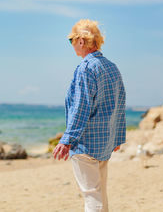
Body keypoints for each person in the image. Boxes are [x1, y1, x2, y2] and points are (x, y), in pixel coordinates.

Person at [53, 19, 126, 212]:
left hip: (86, 144)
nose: (72, 45)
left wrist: (67, 140)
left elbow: (81, 107)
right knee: (100, 194)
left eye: (71, 40)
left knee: (91, 195)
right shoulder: (112, 67)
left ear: (81, 41)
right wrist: (117, 137)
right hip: (104, 143)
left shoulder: (86, 68)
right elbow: (119, 103)